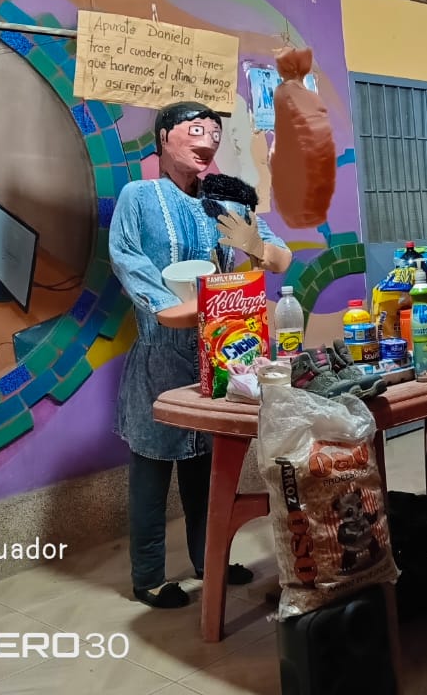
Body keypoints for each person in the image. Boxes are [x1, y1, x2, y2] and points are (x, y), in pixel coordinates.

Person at [109, 102, 292, 609]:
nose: (208, 140)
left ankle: (207, 559)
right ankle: (148, 577)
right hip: (160, 360)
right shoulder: (138, 197)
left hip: (219, 358)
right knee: (151, 473)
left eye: (214, 132)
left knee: (205, 469)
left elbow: (279, 258)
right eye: (196, 130)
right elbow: (130, 263)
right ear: (164, 137)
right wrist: (188, 306)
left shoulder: (224, 200)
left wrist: (256, 245)